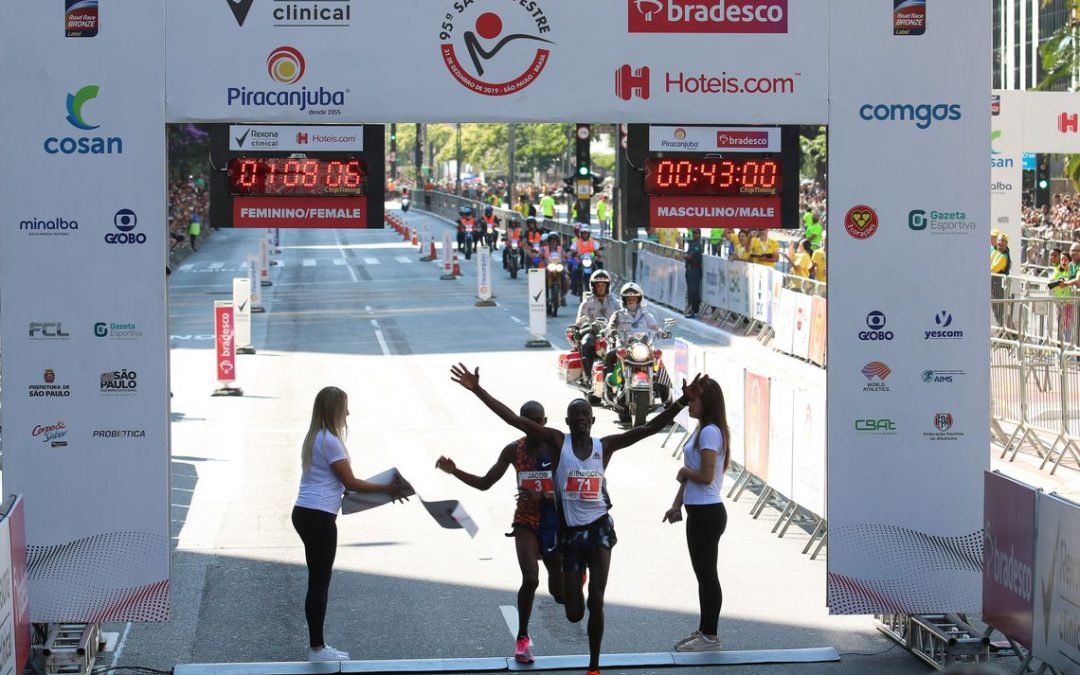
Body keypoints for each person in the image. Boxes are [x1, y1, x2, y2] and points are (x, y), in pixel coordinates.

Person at [450, 364, 709, 675]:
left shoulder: (606, 446)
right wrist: (477, 389)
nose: (582, 420)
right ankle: (578, 580)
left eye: (586, 415)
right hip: (569, 535)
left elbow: (648, 429)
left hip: (599, 530)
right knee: (573, 613)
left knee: (597, 601)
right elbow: (513, 419)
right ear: (568, 422)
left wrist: (680, 402)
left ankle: (594, 666)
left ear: (593, 419)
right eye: (576, 416)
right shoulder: (558, 442)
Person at [435, 402, 564, 664]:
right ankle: (522, 639)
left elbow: (570, 488)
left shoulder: (556, 446)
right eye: (527, 420)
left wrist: (544, 495)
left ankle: (574, 575)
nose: (533, 426)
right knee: (530, 579)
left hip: (554, 523)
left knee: (560, 594)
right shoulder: (513, 450)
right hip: (525, 521)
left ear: (545, 420)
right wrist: (455, 471)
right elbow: (485, 483)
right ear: (520, 421)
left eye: (538, 420)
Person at [292, 386, 409, 662]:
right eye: (344, 406)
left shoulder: (316, 437)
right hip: (318, 516)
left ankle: (318, 647)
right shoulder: (330, 440)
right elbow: (351, 483)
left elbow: (339, 485)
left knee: (318, 581)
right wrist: (389, 490)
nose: (348, 411)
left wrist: (382, 492)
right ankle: (317, 649)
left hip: (308, 512)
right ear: (334, 409)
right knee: (319, 583)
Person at [663, 378, 730, 652]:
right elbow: (690, 473)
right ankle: (705, 630)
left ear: (707, 402)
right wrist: (676, 504)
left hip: (707, 513)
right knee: (702, 574)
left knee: (707, 574)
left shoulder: (710, 432)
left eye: (694, 400)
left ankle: (710, 636)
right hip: (698, 511)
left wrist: (685, 474)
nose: (689, 404)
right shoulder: (701, 430)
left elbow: (702, 475)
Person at [575, 270, 620, 384]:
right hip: (593, 333)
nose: (600, 288)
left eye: (603, 285)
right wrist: (587, 324)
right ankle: (588, 377)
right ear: (593, 287)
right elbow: (579, 321)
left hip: (611, 334)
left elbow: (622, 316)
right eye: (598, 285)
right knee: (585, 343)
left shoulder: (614, 302)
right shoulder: (587, 302)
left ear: (607, 286)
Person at [684, 229, 704, 318]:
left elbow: (690, 256)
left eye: (696, 233)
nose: (694, 234)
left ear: (699, 234)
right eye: (693, 233)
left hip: (695, 269)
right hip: (689, 268)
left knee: (694, 291)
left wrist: (684, 256)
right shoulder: (692, 243)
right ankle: (692, 310)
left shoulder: (698, 244)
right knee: (690, 291)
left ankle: (695, 311)